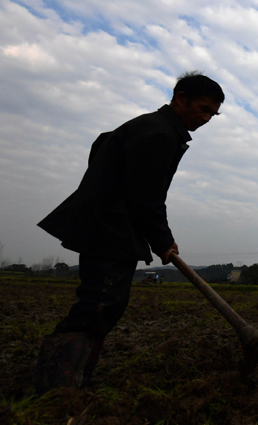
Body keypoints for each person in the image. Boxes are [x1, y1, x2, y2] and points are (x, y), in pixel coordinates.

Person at [32, 71, 224, 394]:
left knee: (103, 305)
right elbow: (146, 198)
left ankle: (66, 383)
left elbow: (102, 148)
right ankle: (57, 387)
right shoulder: (159, 134)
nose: (206, 119)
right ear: (180, 98)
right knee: (98, 306)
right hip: (110, 232)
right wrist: (163, 241)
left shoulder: (149, 127)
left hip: (109, 228)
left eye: (212, 114)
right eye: (203, 109)